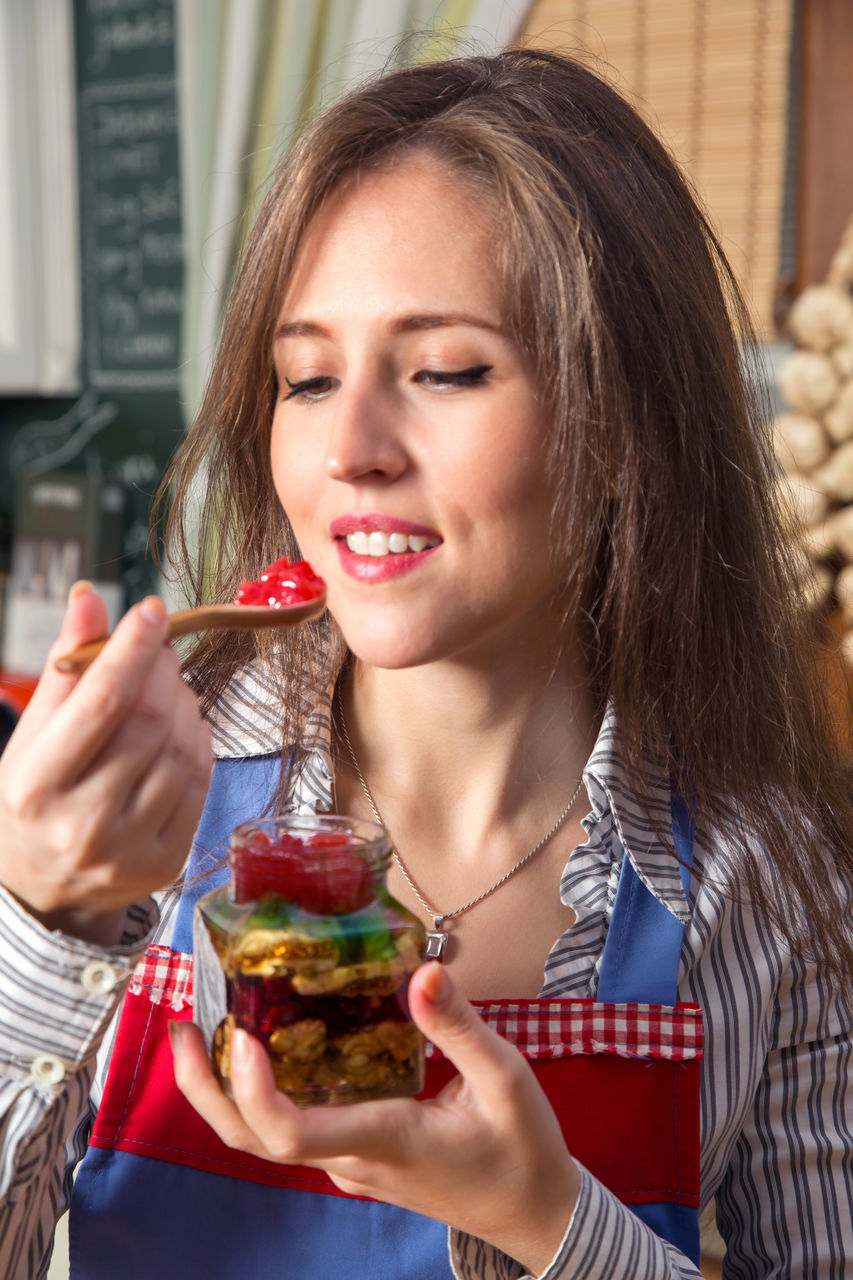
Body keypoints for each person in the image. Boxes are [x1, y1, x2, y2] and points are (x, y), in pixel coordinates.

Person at [0, 47, 851, 1280]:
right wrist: (43, 919)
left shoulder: (762, 879)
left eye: (446, 368)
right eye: (306, 377)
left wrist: (550, 1216)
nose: (349, 448)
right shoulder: (139, 808)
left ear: (625, 423)